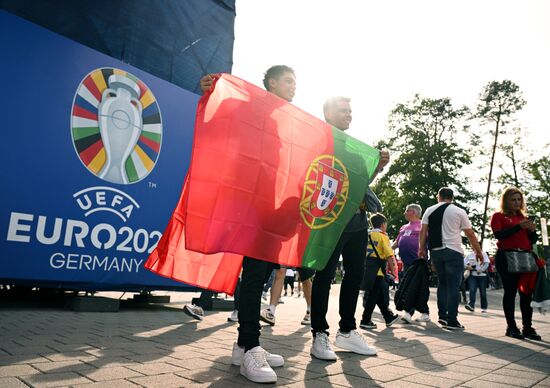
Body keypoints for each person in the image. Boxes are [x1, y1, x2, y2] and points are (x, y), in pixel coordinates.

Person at [198, 65, 296, 383]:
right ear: (271, 83)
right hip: (248, 205)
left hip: (268, 206)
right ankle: (251, 348)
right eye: (289, 81)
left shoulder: (284, 122)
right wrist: (212, 89)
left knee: (260, 274)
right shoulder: (253, 107)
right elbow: (225, 112)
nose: (294, 87)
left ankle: (243, 346)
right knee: (254, 276)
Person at [310, 96, 389, 361]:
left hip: (357, 220)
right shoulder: (318, 143)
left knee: (355, 275)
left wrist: (377, 167)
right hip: (330, 221)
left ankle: (347, 330)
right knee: (325, 276)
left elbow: (361, 183)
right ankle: (319, 333)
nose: (348, 114)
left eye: (350, 111)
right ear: (328, 114)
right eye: (343, 110)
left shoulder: (355, 150)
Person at [418, 187, 483, 331]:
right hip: (453, 251)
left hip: (436, 251)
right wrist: (478, 251)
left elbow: (423, 232)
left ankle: (442, 316)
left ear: (438, 196)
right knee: (453, 285)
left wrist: (421, 249)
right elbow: (470, 233)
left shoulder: (429, 210)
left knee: (443, 283)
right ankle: (452, 320)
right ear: (452, 198)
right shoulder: (459, 211)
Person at [490, 187, 541, 340]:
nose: (516, 202)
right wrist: (519, 227)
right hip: (506, 256)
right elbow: (499, 235)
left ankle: (527, 326)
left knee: (526, 293)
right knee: (510, 291)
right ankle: (511, 326)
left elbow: (531, 241)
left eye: (519, 199)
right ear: (506, 200)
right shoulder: (498, 216)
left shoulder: (523, 217)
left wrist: (532, 231)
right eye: (513, 199)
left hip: (525, 256)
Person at [359, 213, 401, 329]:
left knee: (377, 295)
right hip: (378, 270)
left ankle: (388, 317)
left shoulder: (367, 234)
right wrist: (393, 271)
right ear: (383, 224)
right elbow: (389, 255)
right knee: (374, 295)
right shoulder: (383, 236)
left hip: (367, 268)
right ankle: (365, 320)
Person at [393, 204, 430, 323]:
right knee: (412, 287)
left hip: (418, 262)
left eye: (406, 210)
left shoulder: (422, 226)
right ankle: (424, 313)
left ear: (413, 212)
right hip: (406, 263)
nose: (404, 213)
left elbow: (427, 241)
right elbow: (397, 242)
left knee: (413, 287)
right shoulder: (403, 227)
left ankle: (408, 312)